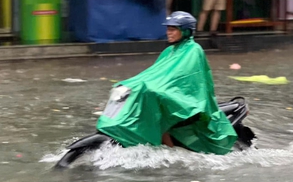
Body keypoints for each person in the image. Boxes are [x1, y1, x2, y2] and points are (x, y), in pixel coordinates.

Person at [96, 11, 237, 155]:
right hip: (172, 94)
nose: (168, 32)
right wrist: (133, 84)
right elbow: (154, 74)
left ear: (186, 31)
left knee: (157, 107)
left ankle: (169, 155)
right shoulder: (169, 51)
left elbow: (184, 78)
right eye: (168, 29)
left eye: (173, 29)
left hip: (188, 100)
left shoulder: (194, 50)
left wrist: (156, 88)